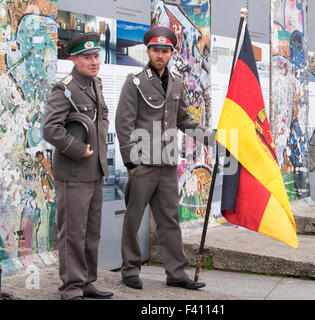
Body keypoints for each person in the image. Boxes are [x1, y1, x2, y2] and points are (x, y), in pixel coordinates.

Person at [115, 26, 215, 290]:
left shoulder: (177, 82)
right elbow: (123, 124)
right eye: (156, 50)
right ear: (148, 51)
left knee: (170, 219)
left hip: (168, 164)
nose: (160, 55)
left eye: (165, 51)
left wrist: (212, 138)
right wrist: (130, 163)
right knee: (134, 217)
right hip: (142, 163)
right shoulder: (134, 81)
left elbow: (183, 119)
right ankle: (130, 269)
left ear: (172, 53)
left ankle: (176, 273)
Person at [43, 32, 113, 300]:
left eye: (96, 56)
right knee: (72, 234)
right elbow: (50, 129)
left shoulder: (96, 85)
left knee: (91, 233)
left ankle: (86, 284)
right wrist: (78, 149)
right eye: (87, 58)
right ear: (74, 59)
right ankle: (71, 289)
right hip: (72, 173)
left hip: (94, 173)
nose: (94, 62)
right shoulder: (65, 88)